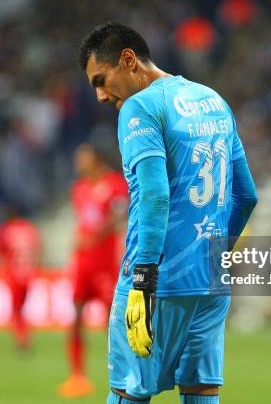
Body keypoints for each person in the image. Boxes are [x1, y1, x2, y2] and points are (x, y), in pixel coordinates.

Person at [77, 22, 258, 404]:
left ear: (128, 61)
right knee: (201, 389)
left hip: (158, 280)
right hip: (210, 281)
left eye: (101, 79)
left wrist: (143, 277)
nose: (100, 96)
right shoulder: (212, 99)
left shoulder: (141, 107)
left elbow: (155, 196)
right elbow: (247, 197)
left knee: (129, 392)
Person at [58, 143, 128, 398]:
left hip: (105, 264)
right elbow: (83, 222)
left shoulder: (115, 184)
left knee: (114, 323)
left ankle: (123, 374)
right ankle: (77, 376)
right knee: (75, 318)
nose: (79, 162)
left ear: (96, 159)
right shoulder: (79, 188)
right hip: (82, 264)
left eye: (83, 157)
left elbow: (120, 217)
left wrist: (95, 237)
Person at [0, 204, 42, 351]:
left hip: (14, 274)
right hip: (29, 274)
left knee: (16, 309)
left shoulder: (6, 229)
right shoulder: (29, 229)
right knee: (22, 308)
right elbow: (38, 248)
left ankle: (22, 338)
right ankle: (25, 335)